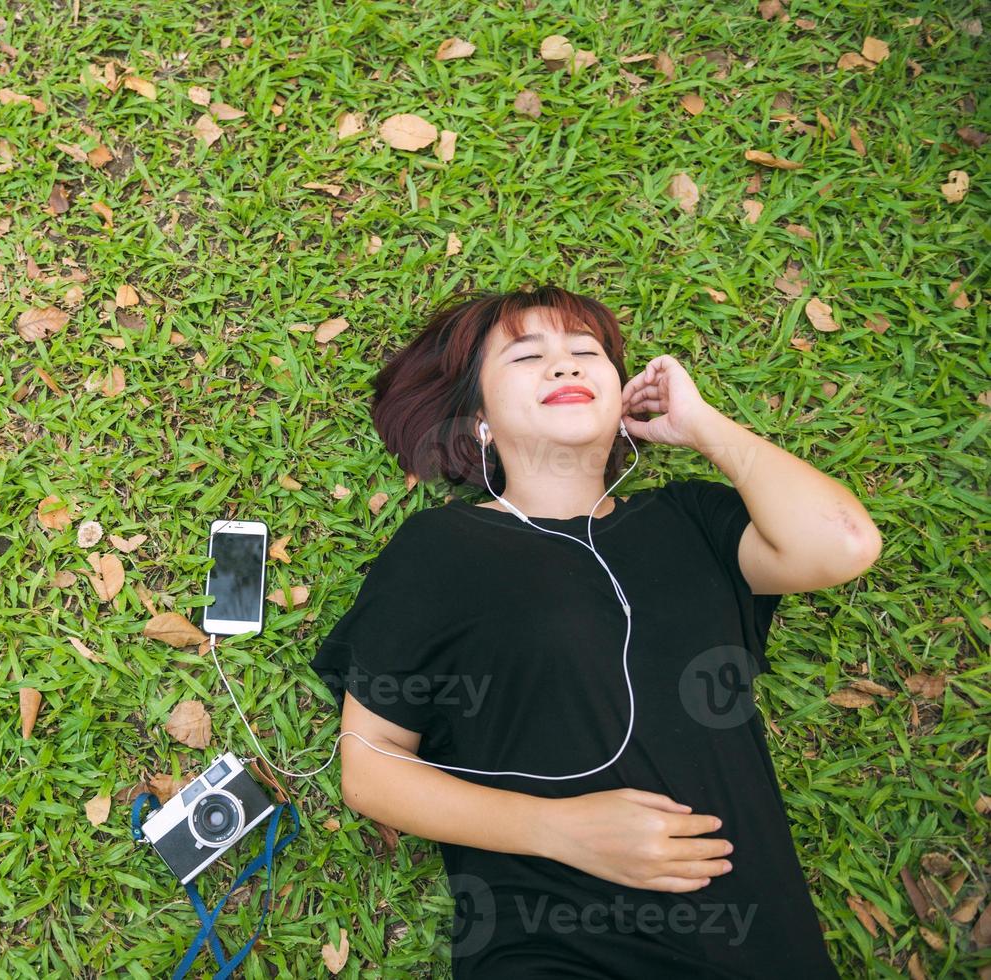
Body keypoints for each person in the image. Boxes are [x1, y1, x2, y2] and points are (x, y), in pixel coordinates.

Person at [308, 284, 880, 978]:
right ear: (479, 421)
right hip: (562, 945)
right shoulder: (443, 547)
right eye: (527, 356)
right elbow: (371, 770)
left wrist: (702, 427)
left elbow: (845, 545)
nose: (565, 365)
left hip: (762, 945)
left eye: (586, 352)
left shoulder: (691, 522)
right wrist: (563, 829)